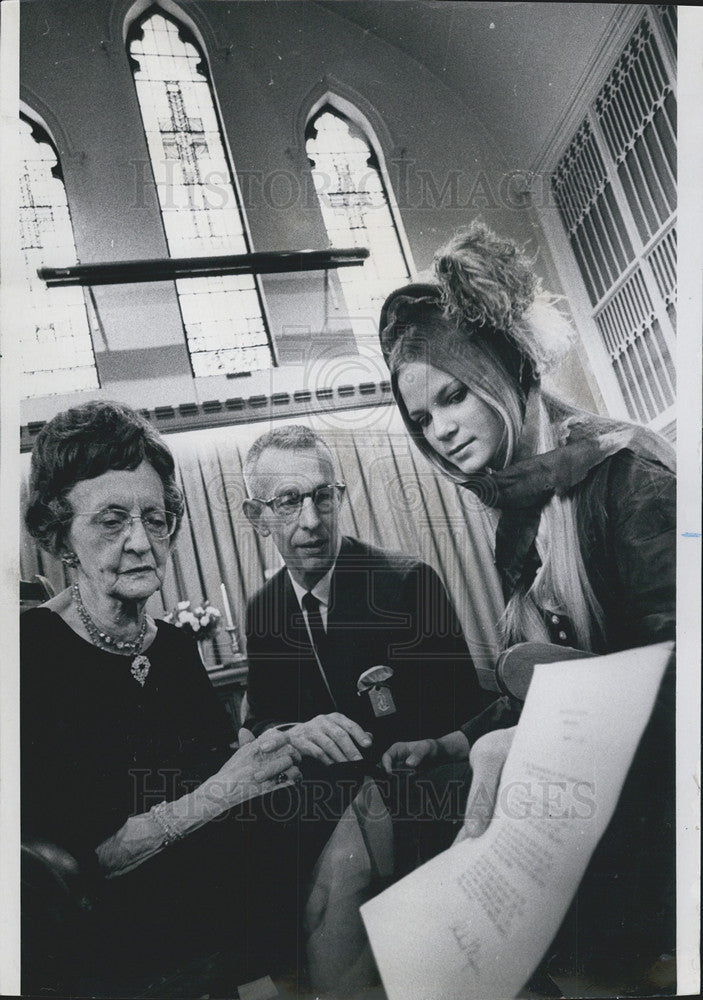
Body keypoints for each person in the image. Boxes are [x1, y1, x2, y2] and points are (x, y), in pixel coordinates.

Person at [376, 221, 676, 992]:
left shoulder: (627, 476)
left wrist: (533, 751)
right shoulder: (519, 510)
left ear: (503, 373)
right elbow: (554, 678)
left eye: (453, 395)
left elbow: (681, 675)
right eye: (420, 420)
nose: (440, 430)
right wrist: (457, 739)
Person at [20, 400, 338, 994]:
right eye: (111, 521)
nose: (141, 542)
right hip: (113, 940)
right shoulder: (27, 655)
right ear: (59, 533)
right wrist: (230, 785)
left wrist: (265, 752)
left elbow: (209, 773)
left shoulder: (169, 645)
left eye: (156, 517)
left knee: (347, 818)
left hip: (206, 891)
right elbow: (83, 863)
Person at [240, 423, 483, 766]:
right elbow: (262, 718)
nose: (312, 521)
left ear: (338, 498)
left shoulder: (409, 583)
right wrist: (294, 731)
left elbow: (466, 714)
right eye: (289, 502)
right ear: (258, 518)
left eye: (323, 497)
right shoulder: (262, 608)